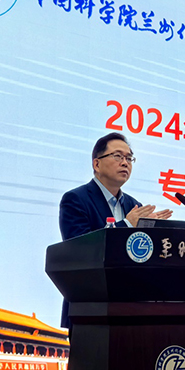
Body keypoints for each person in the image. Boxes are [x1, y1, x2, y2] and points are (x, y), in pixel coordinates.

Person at [58, 132, 172, 327]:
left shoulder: (135, 206)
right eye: (118, 156)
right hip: (89, 311)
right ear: (97, 164)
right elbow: (78, 249)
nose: (125, 163)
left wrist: (157, 233)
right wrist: (126, 225)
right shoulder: (76, 200)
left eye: (129, 158)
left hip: (132, 310)